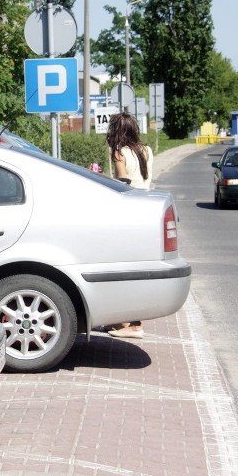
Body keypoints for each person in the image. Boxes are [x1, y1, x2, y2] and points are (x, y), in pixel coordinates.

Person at [104, 112, 153, 338]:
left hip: (127, 213)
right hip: (146, 210)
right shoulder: (146, 150)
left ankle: (130, 325)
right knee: (137, 270)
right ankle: (129, 322)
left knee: (121, 269)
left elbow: (122, 183)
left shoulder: (119, 152)